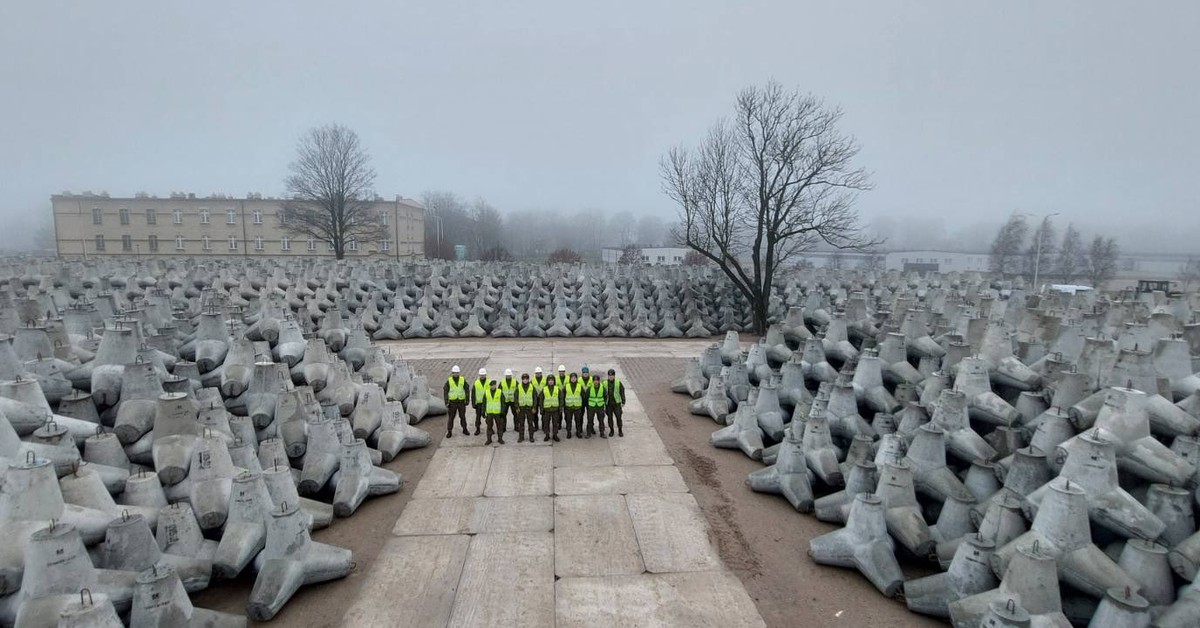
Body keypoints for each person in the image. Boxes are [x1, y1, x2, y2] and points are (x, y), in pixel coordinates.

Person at [443, 365, 469, 438]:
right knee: (451, 418)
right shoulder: (449, 381)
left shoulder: (462, 380)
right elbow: (445, 391)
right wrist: (446, 401)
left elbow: (467, 389)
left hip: (461, 402)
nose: (456, 374)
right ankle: (449, 431)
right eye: (454, 373)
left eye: (457, 373)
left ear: (459, 373)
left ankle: (464, 429)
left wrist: (467, 399)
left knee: (462, 417)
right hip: (452, 403)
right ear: (452, 373)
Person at [515, 372, 538, 442]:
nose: (525, 380)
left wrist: (534, 407)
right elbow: (516, 398)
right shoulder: (518, 387)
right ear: (522, 379)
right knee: (521, 424)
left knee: (530, 423)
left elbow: (535, 398)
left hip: (529, 408)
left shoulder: (532, 387)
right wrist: (517, 407)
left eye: (526, 379)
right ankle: (521, 437)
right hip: (521, 409)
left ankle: (531, 437)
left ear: (528, 379)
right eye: (524, 379)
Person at [585, 371, 608, 439]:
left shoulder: (603, 388)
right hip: (591, 407)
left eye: (597, 380)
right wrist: (588, 406)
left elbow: (605, 397)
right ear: (593, 381)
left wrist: (604, 405)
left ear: (599, 381)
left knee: (601, 421)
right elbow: (586, 397)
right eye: (594, 380)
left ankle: (602, 433)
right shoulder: (589, 388)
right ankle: (588, 433)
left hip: (600, 407)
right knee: (590, 420)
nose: (596, 382)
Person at [541, 373, 563, 442]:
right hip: (546, 410)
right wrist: (541, 409)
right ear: (547, 381)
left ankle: (555, 435)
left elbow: (561, 399)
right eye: (549, 380)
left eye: (552, 380)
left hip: (555, 410)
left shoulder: (557, 389)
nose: (551, 381)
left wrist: (560, 408)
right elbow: (541, 400)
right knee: (546, 423)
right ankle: (547, 435)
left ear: (554, 381)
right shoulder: (544, 389)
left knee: (555, 423)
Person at [483, 379, 506, 445]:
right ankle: (489, 440)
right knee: (489, 427)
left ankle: (500, 439)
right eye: (491, 385)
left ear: (496, 385)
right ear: (490, 386)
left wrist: (502, 411)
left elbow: (503, 402)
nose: (493, 387)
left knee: (499, 427)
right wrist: (483, 411)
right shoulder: (486, 392)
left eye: (494, 385)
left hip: (498, 413)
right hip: (489, 413)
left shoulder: (500, 392)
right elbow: (484, 403)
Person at [605, 368, 626, 437]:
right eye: (609, 375)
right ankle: (611, 430)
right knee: (610, 418)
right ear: (608, 376)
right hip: (608, 404)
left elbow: (622, 391)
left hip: (617, 404)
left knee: (618, 417)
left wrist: (623, 400)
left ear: (614, 376)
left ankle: (620, 430)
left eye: (612, 375)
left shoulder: (618, 383)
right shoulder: (604, 383)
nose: (611, 377)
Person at [563, 371, 584, 439]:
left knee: (578, 421)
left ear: (576, 378)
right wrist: (564, 405)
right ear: (570, 379)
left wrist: (581, 405)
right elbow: (563, 396)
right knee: (568, 421)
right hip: (568, 407)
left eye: (574, 378)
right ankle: (569, 432)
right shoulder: (566, 386)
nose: (573, 379)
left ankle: (578, 432)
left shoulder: (580, 386)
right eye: (572, 378)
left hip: (577, 407)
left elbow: (583, 396)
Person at [470, 367, 489, 435]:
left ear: (485, 375)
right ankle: (477, 429)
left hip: (487, 403)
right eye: (481, 375)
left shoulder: (489, 382)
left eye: (483, 375)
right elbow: (473, 394)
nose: (482, 376)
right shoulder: (476, 383)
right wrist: (473, 403)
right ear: (479, 375)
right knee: (478, 418)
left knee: (488, 417)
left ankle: (490, 428)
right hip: (479, 404)